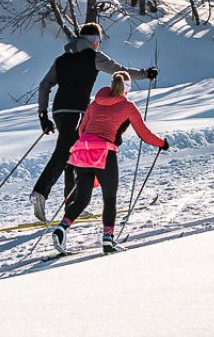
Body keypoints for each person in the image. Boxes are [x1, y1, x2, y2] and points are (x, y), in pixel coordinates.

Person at [31, 22, 154, 222]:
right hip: (78, 111)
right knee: (64, 153)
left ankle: (72, 203)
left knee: (74, 153)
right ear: (93, 41)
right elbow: (120, 72)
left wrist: (43, 115)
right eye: (98, 41)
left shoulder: (62, 59)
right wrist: (145, 73)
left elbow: (45, 85)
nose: (98, 45)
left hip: (59, 110)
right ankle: (40, 192)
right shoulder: (94, 57)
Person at [54, 70, 167, 255]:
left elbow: (82, 129)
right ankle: (108, 241)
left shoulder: (95, 102)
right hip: (104, 153)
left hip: (82, 152)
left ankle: (61, 229)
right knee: (109, 198)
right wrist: (162, 143)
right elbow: (144, 134)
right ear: (126, 87)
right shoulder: (128, 106)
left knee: (82, 199)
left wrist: (92, 141)